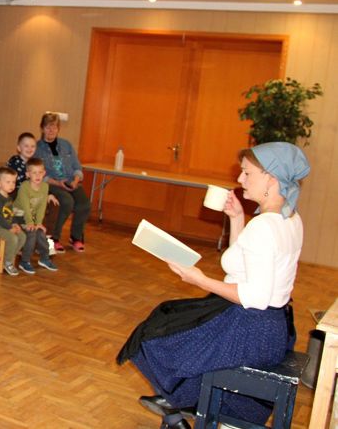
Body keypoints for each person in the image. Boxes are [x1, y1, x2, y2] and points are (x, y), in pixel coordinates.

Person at [117, 142, 309, 429]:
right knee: (177, 321)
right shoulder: (291, 219)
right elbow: (243, 269)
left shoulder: (264, 227)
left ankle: (178, 405)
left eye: (247, 173)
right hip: (272, 329)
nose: (240, 179)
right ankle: (178, 406)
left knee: (156, 331)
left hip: (248, 331)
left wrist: (200, 279)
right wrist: (237, 219)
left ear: (271, 179)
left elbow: (254, 296)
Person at [35, 112, 90, 253]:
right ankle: (54, 238)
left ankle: (76, 237)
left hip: (71, 181)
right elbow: (39, 174)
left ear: (58, 128)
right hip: (52, 184)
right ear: (42, 128)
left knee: (84, 204)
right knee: (66, 201)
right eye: (48, 127)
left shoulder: (66, 145)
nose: (51, 130)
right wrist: (57, 183)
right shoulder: (37, 148)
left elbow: (77, 167)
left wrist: (76, 180)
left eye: (54, 127)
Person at [14, 158, 59, 271]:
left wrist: (39, 223)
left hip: (31, 217)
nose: (37, 175)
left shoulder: (45, 187)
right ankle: (24, 261)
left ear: (44, 173)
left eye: (40, 172)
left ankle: (44, 258)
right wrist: (30, 223)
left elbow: (41, 207)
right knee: (32, 232)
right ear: (28, 174)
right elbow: (25, 207)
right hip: (18, 216)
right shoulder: (24, 187)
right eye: (34, 172)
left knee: (40, 232)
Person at [0, 166, 30, 275]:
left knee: (22, 236)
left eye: (13, 182)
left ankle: (6, 259)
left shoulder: (9, 198)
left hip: (5, 226)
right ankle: (8, 262)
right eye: (8, 182)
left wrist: (15, 223)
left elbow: (11, 214)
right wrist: (9, 227)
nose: (11, 185)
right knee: (12, 238)